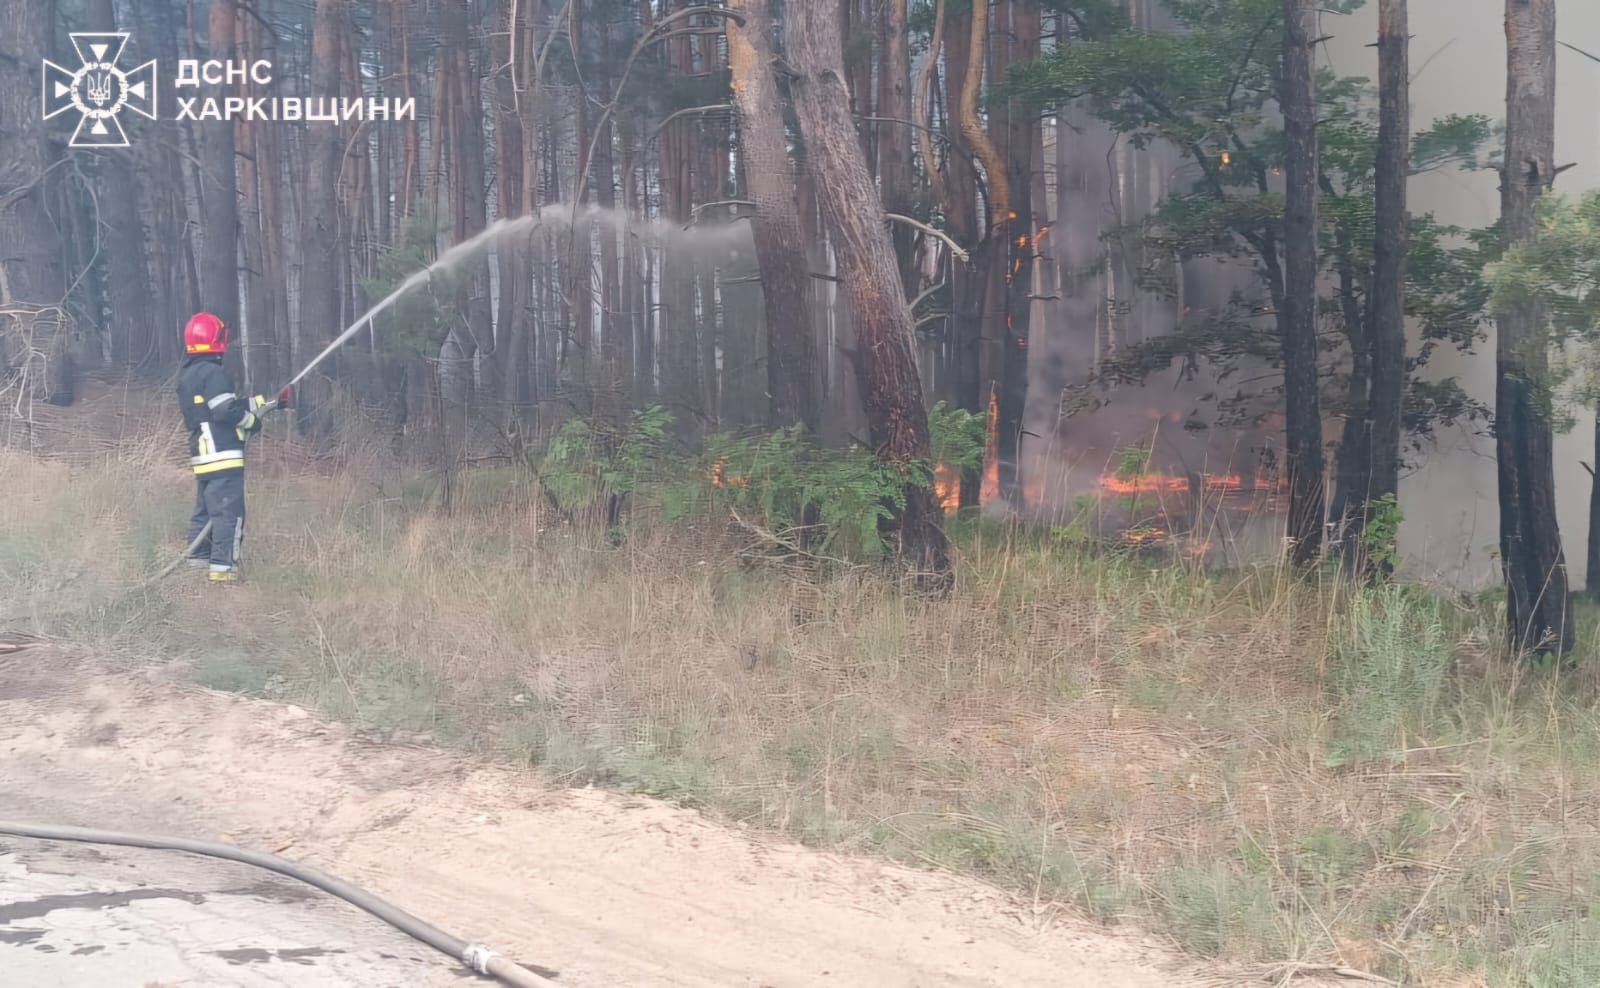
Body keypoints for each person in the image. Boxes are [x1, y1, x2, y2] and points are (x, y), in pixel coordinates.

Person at [177, 312, 290, 582]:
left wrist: (270, 402)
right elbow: (226, 411)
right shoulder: (214, 373)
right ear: (214, 340)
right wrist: (251, 422)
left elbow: (226, 404)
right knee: (228, 513)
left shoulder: (190, 374)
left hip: (204, 456)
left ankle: (198, 561)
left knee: (205, 512)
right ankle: (223, 571)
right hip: (224, 454)